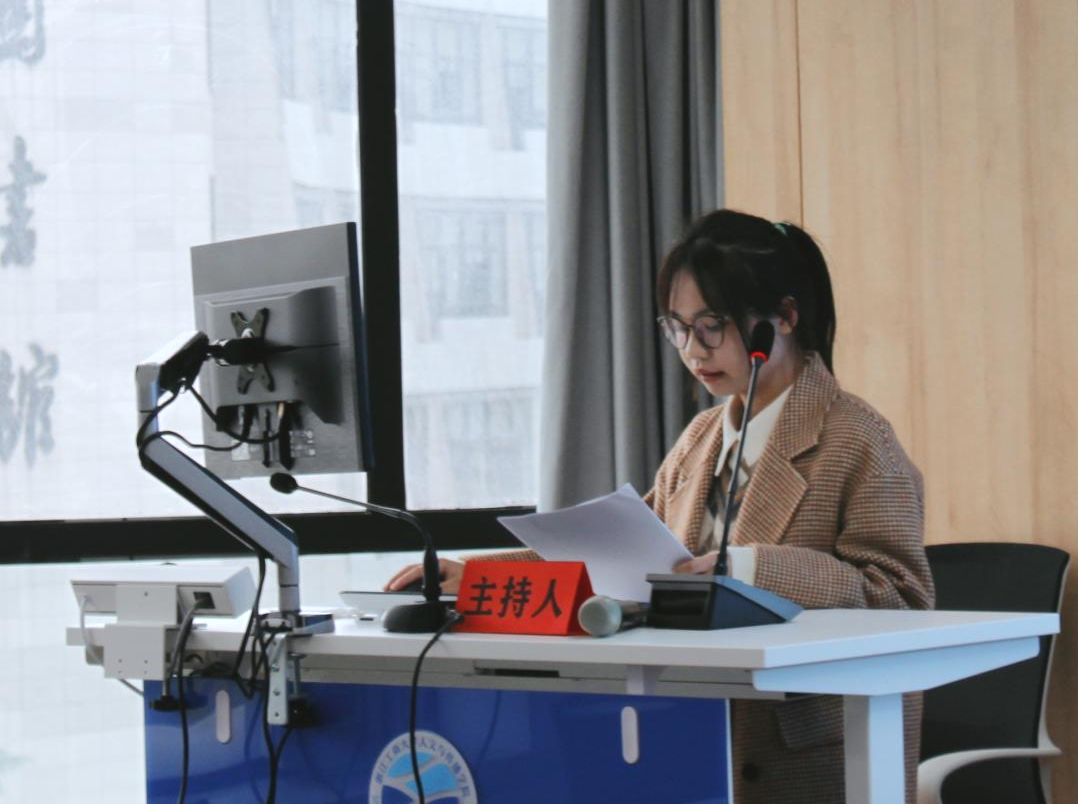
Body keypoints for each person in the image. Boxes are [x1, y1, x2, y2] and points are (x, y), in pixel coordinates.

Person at [387, 208, 934, 803]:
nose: (692, 350)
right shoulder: (701, 438)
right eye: (678, 328)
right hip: (692, 732)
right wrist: (476, 576)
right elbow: (621, 553)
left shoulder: (858, 439)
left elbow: (900, 596)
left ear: (783, 317)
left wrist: (750, 568)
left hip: (809, 751)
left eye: (712, 326)